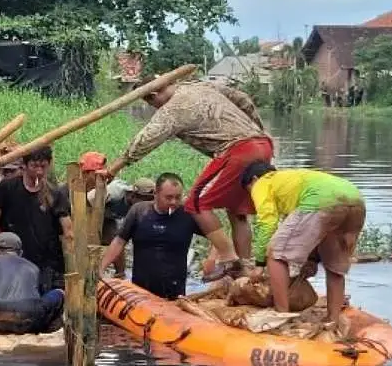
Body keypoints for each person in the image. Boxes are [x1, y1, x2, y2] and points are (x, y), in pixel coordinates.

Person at [96, 80, 272, 281]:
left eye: (150, 101)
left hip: (237, 150)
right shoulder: (199, 86)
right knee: (237, 212)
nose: (154, 106)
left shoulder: (175, 107)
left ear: (154, 94)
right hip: (262, 144)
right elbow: (243, 99)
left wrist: (114, 168)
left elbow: (146, 139)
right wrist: (257, 128)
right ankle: (246, 270)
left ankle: (230, 259)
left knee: (195, 203)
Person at [240, 162, 366, 323]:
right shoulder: (290, 180)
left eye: (249, 191)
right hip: (355, 200)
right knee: (335, 266)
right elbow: (315, 232)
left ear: (254, 179)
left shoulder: (262, 183)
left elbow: (267, 222)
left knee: (276, 255)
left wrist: (259, 263)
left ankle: (280, 314)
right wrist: (312, 259)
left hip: (321, 200)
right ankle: (332, 319)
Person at [97, 173, 202, 300]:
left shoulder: (188, 215)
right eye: (168, 198)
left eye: (178, 197)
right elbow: (119, 241)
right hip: (140, 292)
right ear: (156, 194)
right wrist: (102, 268)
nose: (174, 202)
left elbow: (215, 234)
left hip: (174, 293)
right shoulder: (139, 212)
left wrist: (214, 258)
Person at [0, 146, 72, 292]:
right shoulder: (8, 188)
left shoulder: (55, 194)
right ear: (25, 165)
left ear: (49, 165)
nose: (39, 170)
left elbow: (67, 230)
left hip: (46, 261)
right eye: (34, 166)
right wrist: (0, 245)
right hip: (15, 256)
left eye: (43, 166)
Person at [0, 233, 65, 334]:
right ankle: (48, 329)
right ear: (20, 252)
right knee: (59, 293)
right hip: (30, 317)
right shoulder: (34, 267)